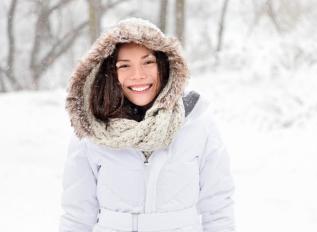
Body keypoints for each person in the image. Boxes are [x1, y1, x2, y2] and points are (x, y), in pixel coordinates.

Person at [60, 18, 235, 232]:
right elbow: (77, 217)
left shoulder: (197, 122)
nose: (138, 75)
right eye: (124, 65)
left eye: (148, 62)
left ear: (164, 64)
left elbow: (218, 209)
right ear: (110, 73)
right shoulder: (92, 130)